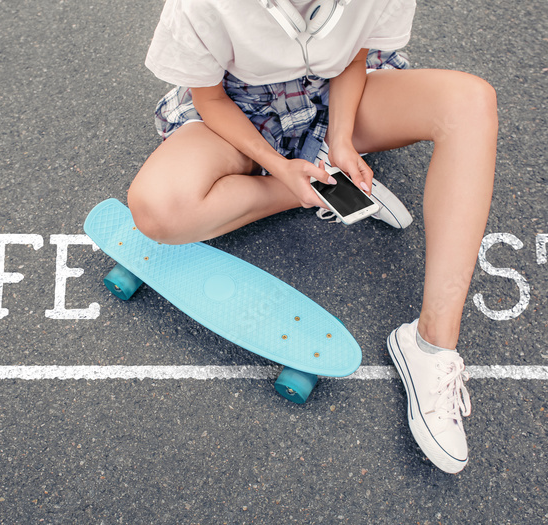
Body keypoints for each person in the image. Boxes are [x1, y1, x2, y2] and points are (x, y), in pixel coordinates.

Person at [128, 0, 497, 474]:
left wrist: (341, 138)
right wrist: (281, 171)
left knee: (470, 103)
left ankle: (430, 345)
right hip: (240, 105)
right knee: (157, 211)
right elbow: (211, 98)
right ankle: (322, 189)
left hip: (335, 94)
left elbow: (354, 57)